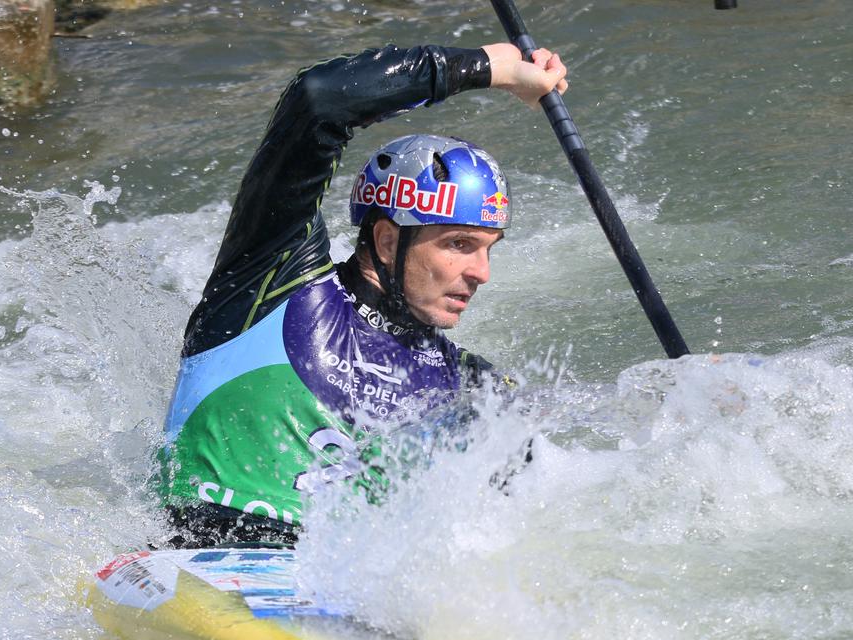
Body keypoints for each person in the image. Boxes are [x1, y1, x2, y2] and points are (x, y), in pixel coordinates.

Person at [155, 41, 568, 548]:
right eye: (459, 245)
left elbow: (563, 466)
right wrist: (487, 67)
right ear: (389, 239)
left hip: (339, 592)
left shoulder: (463, 384)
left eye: (488, 249)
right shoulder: (270, 282)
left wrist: (681, 400)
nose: (481, 272)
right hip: (199, 557)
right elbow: (318, 100)